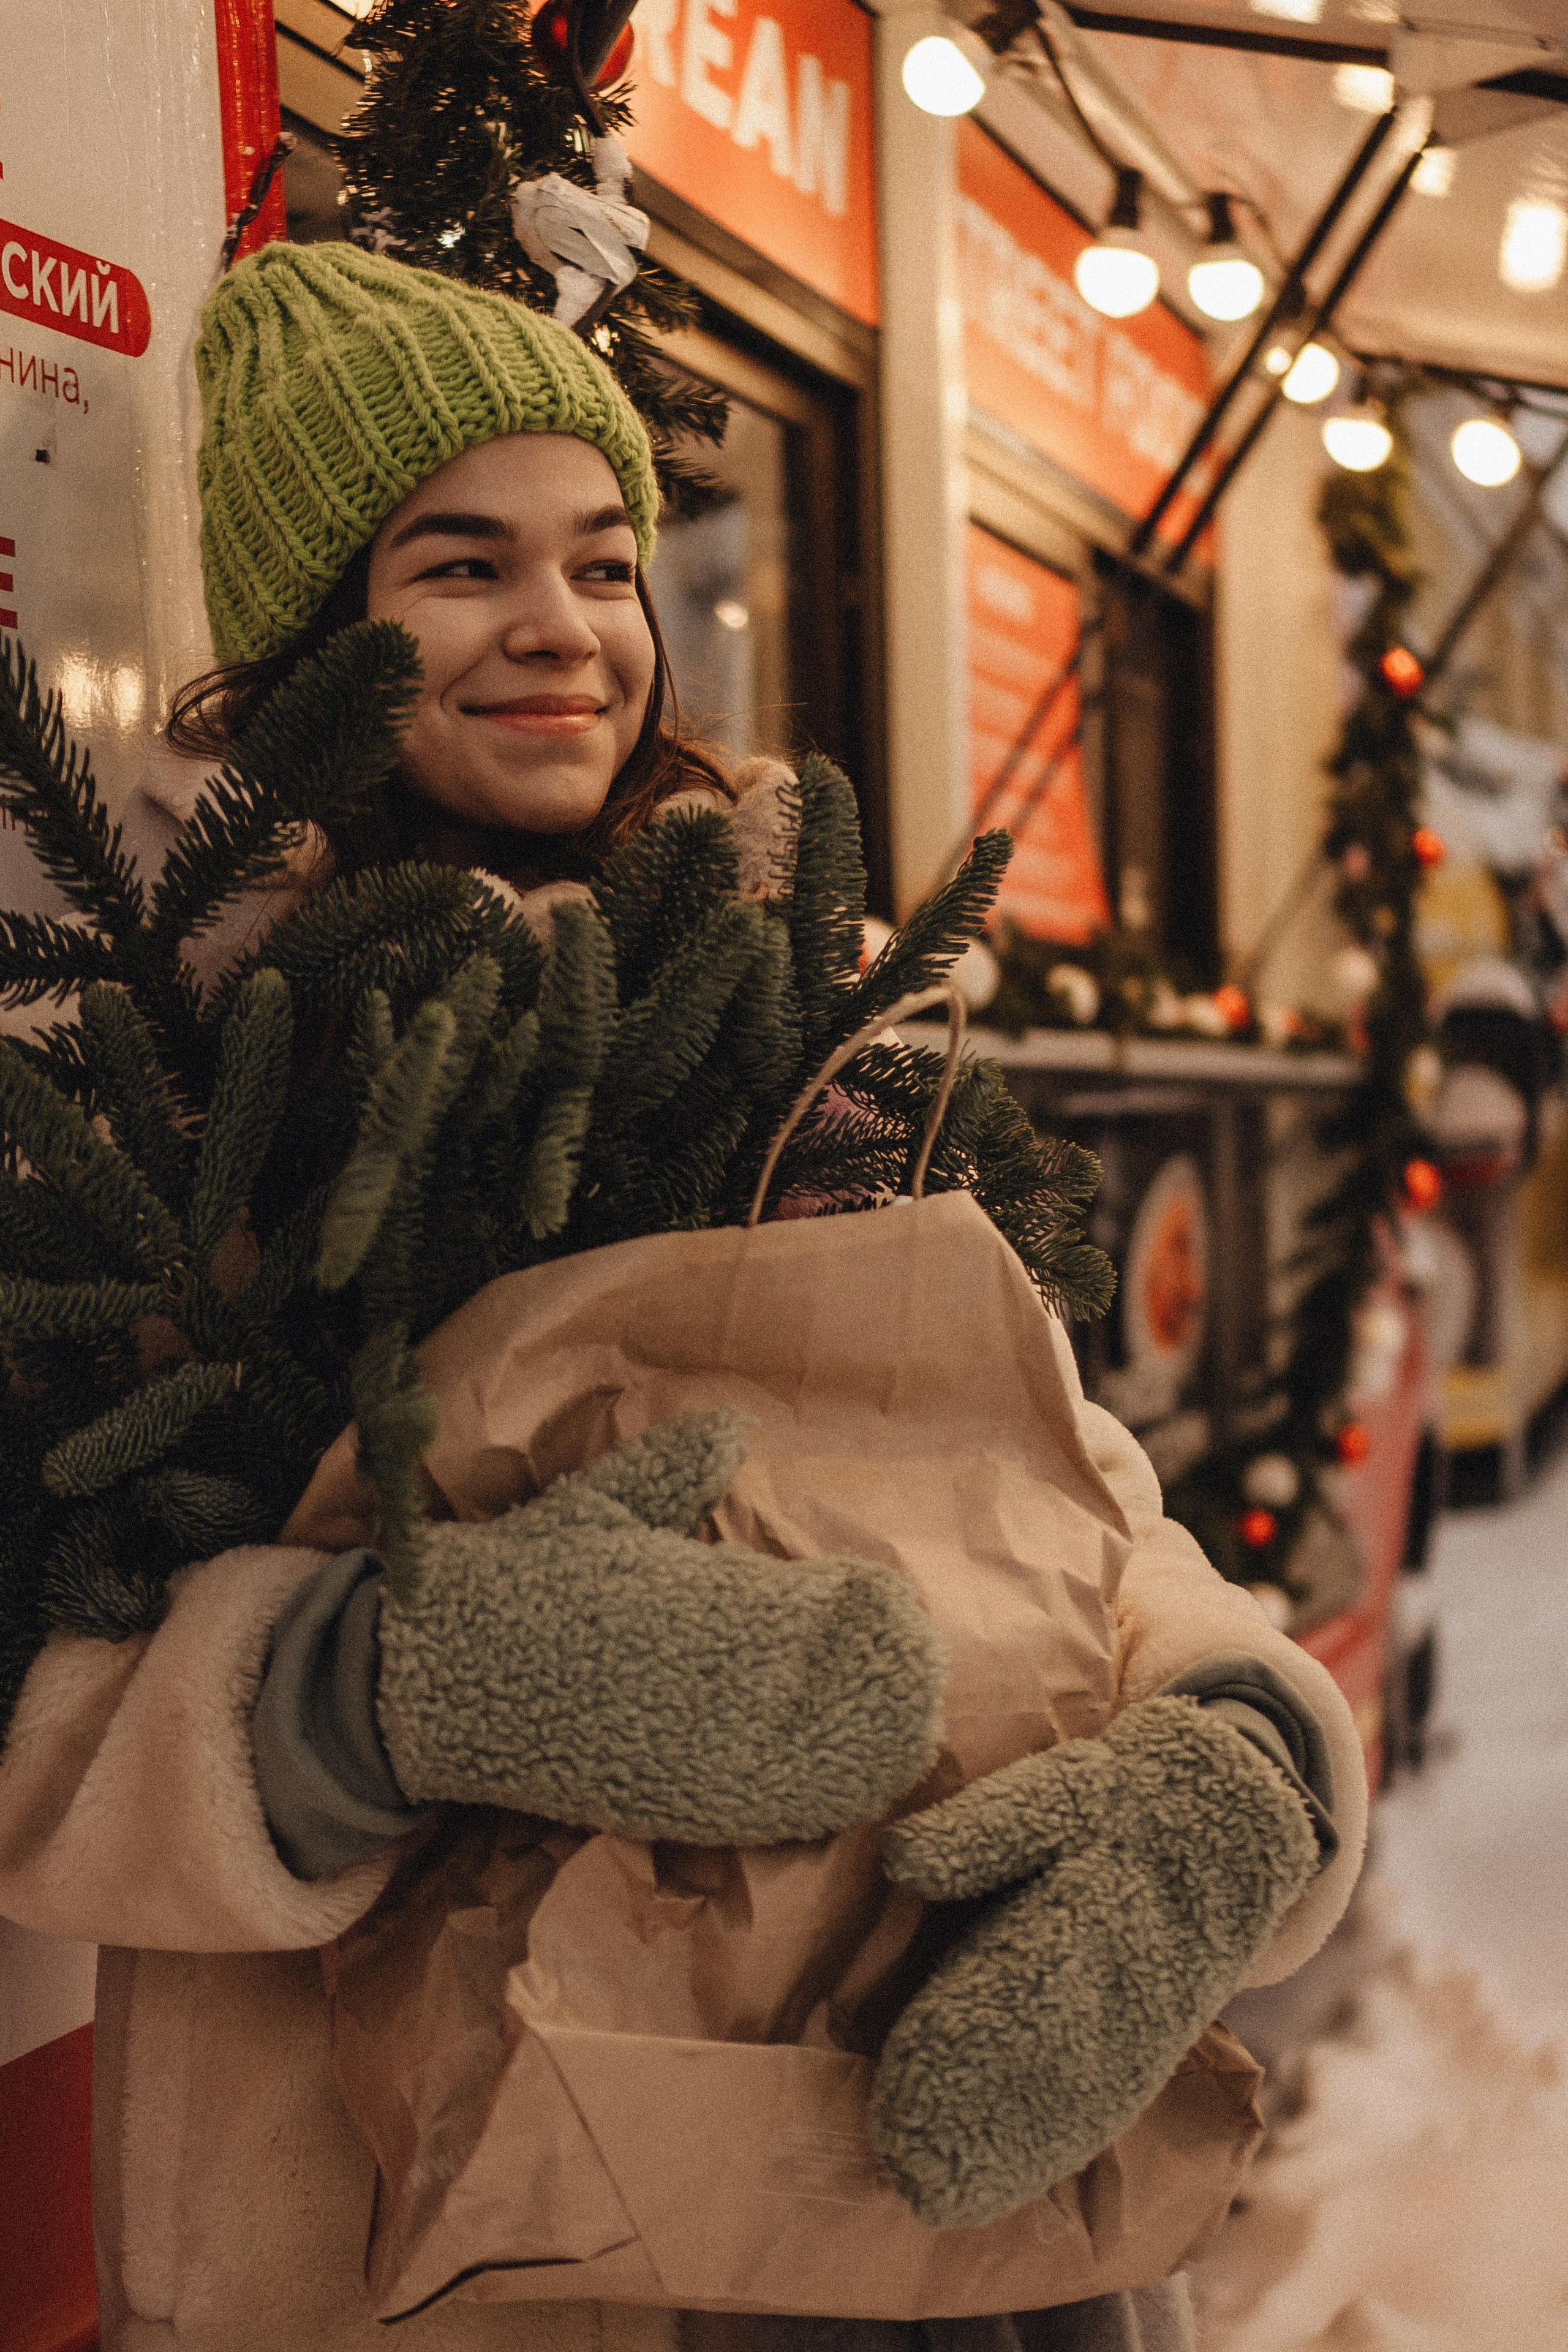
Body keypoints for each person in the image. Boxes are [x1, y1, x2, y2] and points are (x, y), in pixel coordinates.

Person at [0, 243, 1366, 2352]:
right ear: (316, 642)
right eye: (461, 565)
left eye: (608, 563)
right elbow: (38, 1707)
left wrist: (1240, 1753)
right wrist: (391, 1687)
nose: (563, 625)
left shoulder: (814, 1024)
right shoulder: (189, 1081)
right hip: (405, 2238)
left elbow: (1054, 1488)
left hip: (908, 2196)